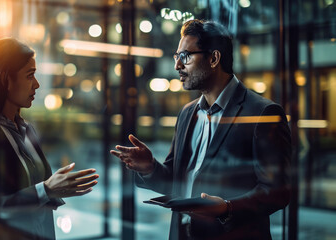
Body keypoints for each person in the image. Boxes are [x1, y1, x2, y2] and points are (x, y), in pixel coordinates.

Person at [110, 19, 291, 240]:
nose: (177, 65)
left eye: (185, 56)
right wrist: (149, 167)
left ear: (214, 58)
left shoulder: (262, 112)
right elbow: (175, 180)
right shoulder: (187, 113)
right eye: (177, 57)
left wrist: (227, 208)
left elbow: (278, 192)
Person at [0, 38, 99, 240]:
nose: (37, 84)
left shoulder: (27, 130)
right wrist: (46, 189)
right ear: (6, 80)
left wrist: (58, 188)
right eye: (30, 75)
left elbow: (40, 198)